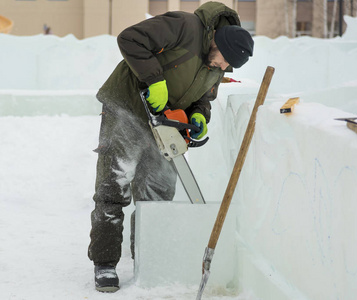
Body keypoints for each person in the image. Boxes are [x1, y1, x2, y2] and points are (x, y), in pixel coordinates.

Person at [88, 1, 254, 293]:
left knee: (157, 194)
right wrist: (154, 79)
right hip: (127, 108)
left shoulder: (217, 61)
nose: (223, 68)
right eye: (225, 61)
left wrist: (200, 114)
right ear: (219, 42)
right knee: (114, 186)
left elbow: (204, 96)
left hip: (164, 124)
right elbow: (129, 38)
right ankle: (104, 263)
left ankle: (147, 255)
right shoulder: (184, 27)